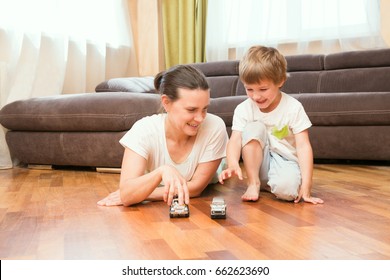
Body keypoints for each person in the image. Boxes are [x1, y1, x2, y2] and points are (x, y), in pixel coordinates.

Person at [97, 65, 228, 207]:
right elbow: (127, 194)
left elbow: (196, 188)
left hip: (215, 170)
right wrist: (162, 171)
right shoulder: (144, 130)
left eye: (205, 109)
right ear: (166, 102)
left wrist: (141, 195)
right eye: (191, 110)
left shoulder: (214, 126)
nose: (200, 118)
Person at [218, 46, 324, 205]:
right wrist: (233, 163)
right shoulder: (243, 109)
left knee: (288, 193)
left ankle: (272, 182)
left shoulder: (293, 107)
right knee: (254, 127)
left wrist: (307, 186)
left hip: (285, 159)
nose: (256, 96)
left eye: (263, 89)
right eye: (249, 89)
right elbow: (235, 139)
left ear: (280, 81)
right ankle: (253, 183)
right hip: (256, 161)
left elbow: (303, 146)